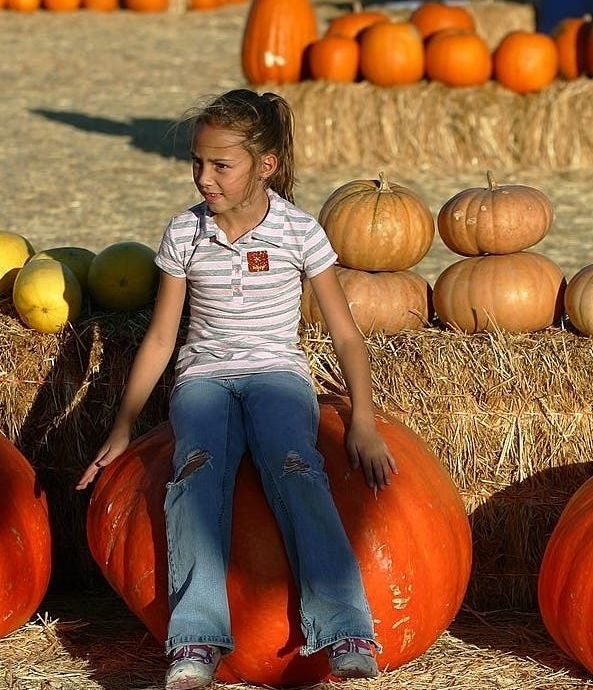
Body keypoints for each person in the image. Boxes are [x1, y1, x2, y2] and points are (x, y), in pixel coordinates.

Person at [76, 88, 397, 690]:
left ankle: (345, 626)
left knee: (296, 465)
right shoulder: (185, 234)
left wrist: (363, 421)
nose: (204, 178)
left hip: (277, 374)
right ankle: (195, 637)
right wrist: (122, 426)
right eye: (197, 163)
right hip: (204, 377)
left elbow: (347, 336)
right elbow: (161, 338)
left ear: (265, 164)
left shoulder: (300, 232)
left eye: (221, 165)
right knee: (195, 472)